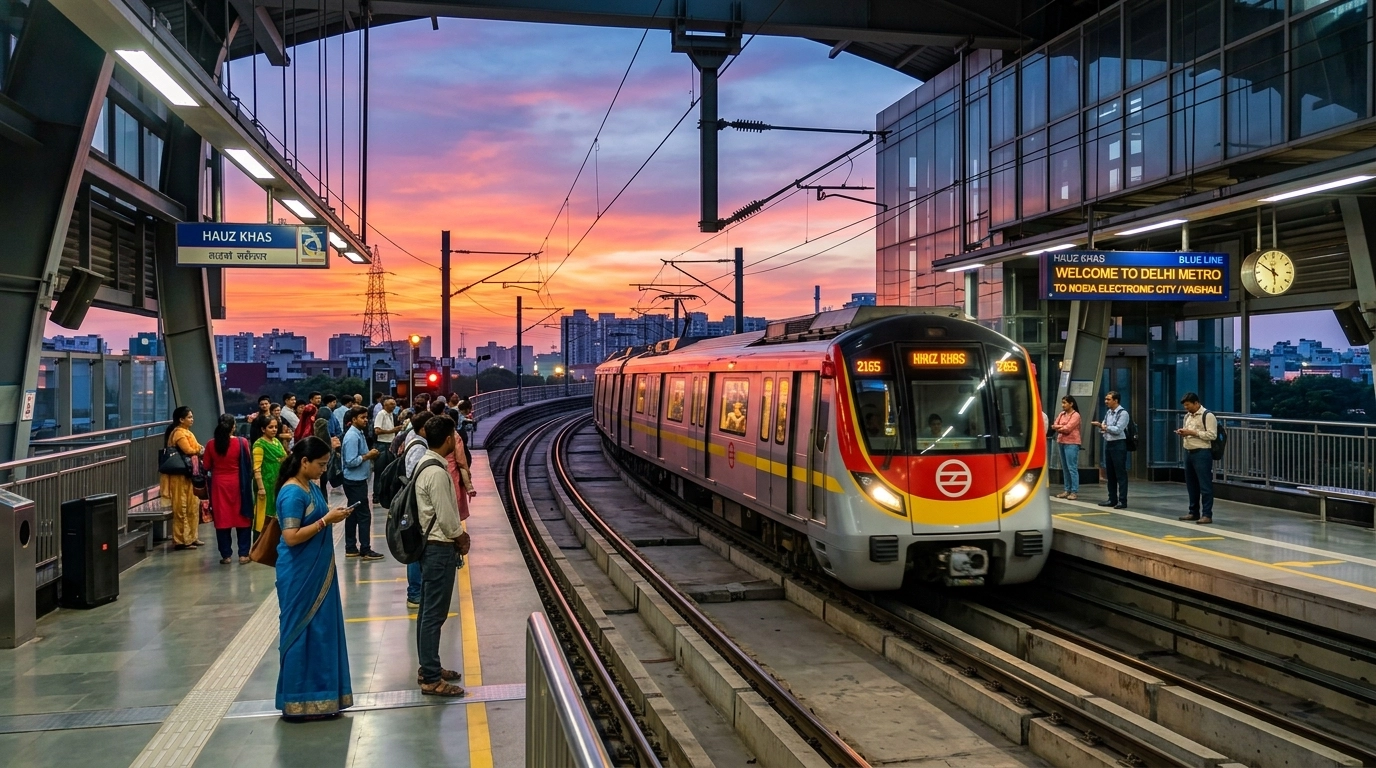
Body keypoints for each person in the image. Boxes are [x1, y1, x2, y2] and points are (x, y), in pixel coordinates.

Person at [274, 437, 354, 721]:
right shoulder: (293, 494)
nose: (324, 469)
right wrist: (326, 521)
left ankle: (323, 697)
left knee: (320, 633)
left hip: (319, 570)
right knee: (301, 634)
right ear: (304, 462)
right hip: (300, 574)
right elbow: (291, 537)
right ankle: (297, 701)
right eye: (320, 464)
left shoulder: (309, 486)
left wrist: (333, 517)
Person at [414, 415, 466, 697]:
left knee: (427, 613)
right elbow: (447, 518)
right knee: (434, 614)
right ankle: (431, 678)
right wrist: (462, 538)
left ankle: (428, 666)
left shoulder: (425, 462)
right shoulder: (436, 471)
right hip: (439, 548)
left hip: (430, 548)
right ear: (448, 439)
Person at [203, 414, 255, 564]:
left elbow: (206, 466)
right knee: (243, 518)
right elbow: (248, 463)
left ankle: (226, 556)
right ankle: (243, 554)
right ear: (233, 426)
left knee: (222, 519)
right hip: (239, 484)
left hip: (219, 485)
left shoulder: (211, 444)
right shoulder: (242, 442)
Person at [402, 411, 435, 609]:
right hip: (415, 504)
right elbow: (415, 476)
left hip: (415, 502)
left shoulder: (415, 440)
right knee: (415, 549)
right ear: (423, 428)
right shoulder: (419, 448)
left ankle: (417, 590)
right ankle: (415, 593)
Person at [341, 406, 383, 560]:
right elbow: (350, 461)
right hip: (354, 481)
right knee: (364, 515)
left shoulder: (358, 433)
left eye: (366, 417)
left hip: (356, 479)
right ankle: (365, 549)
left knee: (352, 515)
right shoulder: (352, 436)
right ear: (353, 419)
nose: (366, 420)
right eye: (362, 417)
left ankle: (351, 547)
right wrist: (368, 456)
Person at [160, 406, 205, 550]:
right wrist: (199, 450)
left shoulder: (187, 433)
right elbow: (189, 450)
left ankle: (192, 537)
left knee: (193, 505)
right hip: (179, 476)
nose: (192, 419)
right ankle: (181, 540)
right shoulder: (179, 433)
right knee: (182, 507)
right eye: (189, 417)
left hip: (189, 474)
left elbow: (197, 447)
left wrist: (199, 449)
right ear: (181, 419)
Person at [1176, 392, 1218, 524]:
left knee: (1205, 485)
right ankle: (1193, 512)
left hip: (1202, 452)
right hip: (1188, 451)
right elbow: (1189, 431)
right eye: (1185, 406)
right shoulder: (1187, 416)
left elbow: (1212, 435)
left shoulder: (1208, 415)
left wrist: (1192, 432)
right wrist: (1184, 433)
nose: (1186, 408)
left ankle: (1207, 514)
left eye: (1188, 405)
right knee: (1191, 484)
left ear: (1196, 403)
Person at [1090, 391, 1130, 509]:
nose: (1106, 401)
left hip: (1119, 445)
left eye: (1108, 399)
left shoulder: (1123, 413)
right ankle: (1112, 498)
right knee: (1110, 473)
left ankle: (1123, 500)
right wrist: (1102, 427)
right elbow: (1104, 425)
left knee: (1120, 473)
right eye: (1105, 399)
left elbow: (1118, 429)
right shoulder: (1108, 412)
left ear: (1116, 400)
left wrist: (1104, 427)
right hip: (1108, 443)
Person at [253, 416, 289, 533]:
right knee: (265, 515)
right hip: (266, 485)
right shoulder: (259, 444)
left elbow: (285, 458)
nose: (274, 429)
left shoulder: (276, 441)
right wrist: (261, 488)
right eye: (270, 427)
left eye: (275, 427)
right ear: (263, 429)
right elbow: (257, 468)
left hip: (278, 482)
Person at [1051, 396, 1082, 500]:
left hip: (1072, 443)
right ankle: (1066, 489)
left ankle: (1074, 491)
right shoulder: (1061, 414)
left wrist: (1060, 427)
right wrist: (1060, 427)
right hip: (1061, 442)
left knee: (1071, 467)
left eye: (1065, 403)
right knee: (1065, 468)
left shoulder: (1076, 415)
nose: (1063, 405)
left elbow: (1068, 428)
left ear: (1071, 404)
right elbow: (1054, 425)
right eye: (1062, 403)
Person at [456, 399, 476, 465]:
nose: (470, 411)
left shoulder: (457, 414)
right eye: (470, 409)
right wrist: (472, 422)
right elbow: (469, 427)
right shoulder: (461, 418)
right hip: (460, 442)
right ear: (466, 409)